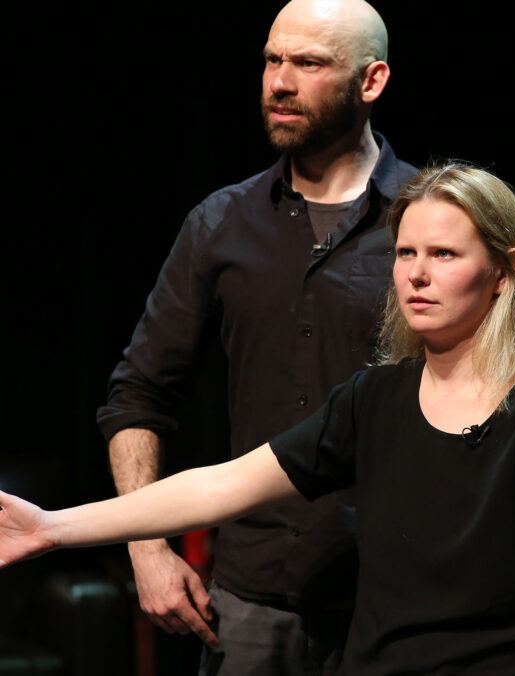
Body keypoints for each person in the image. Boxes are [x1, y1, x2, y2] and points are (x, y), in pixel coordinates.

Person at [0, 163, 515, 675]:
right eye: (405, 251)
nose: (416, 273)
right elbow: (225, 484)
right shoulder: (374, 398)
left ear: (503, 272)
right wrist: (53, 527)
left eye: (443, 253)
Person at [94, 0, 416, 671]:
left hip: (397, 601)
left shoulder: (428, 222)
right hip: (254, 605)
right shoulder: (223, 221)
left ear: (372, 81)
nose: (280, 82)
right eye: (272, 60)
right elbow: (138, 394)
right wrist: (148, 550)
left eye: (308, 63)